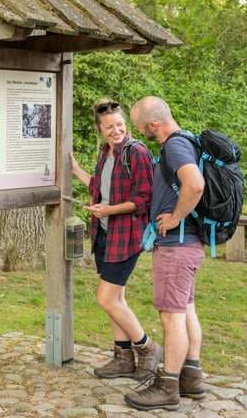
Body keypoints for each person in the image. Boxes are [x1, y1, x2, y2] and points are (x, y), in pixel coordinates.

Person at [71, 99, 162, 381]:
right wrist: (74, 169)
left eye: (120, 124)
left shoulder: (137, 152)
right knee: (117, 298)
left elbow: (142, 199)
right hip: (105, 234)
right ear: (100, 129)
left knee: (106, 298)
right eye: (109, 126)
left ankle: (147, 348)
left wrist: (109, 209)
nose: (116, 130)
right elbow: (98, 187)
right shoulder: (105, 152)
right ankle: (122, 357)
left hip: (128, 236)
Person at [125, 96, 206, 411]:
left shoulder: (174, 147)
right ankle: (191, 376)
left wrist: (174, 218)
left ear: (153, 124)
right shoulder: (187, 142)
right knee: (185, 310)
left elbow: (195, 185)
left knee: (171, 317)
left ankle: (168, 385)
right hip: (188, 244)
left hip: (177, 246)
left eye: (140, 127)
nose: (139, 131)